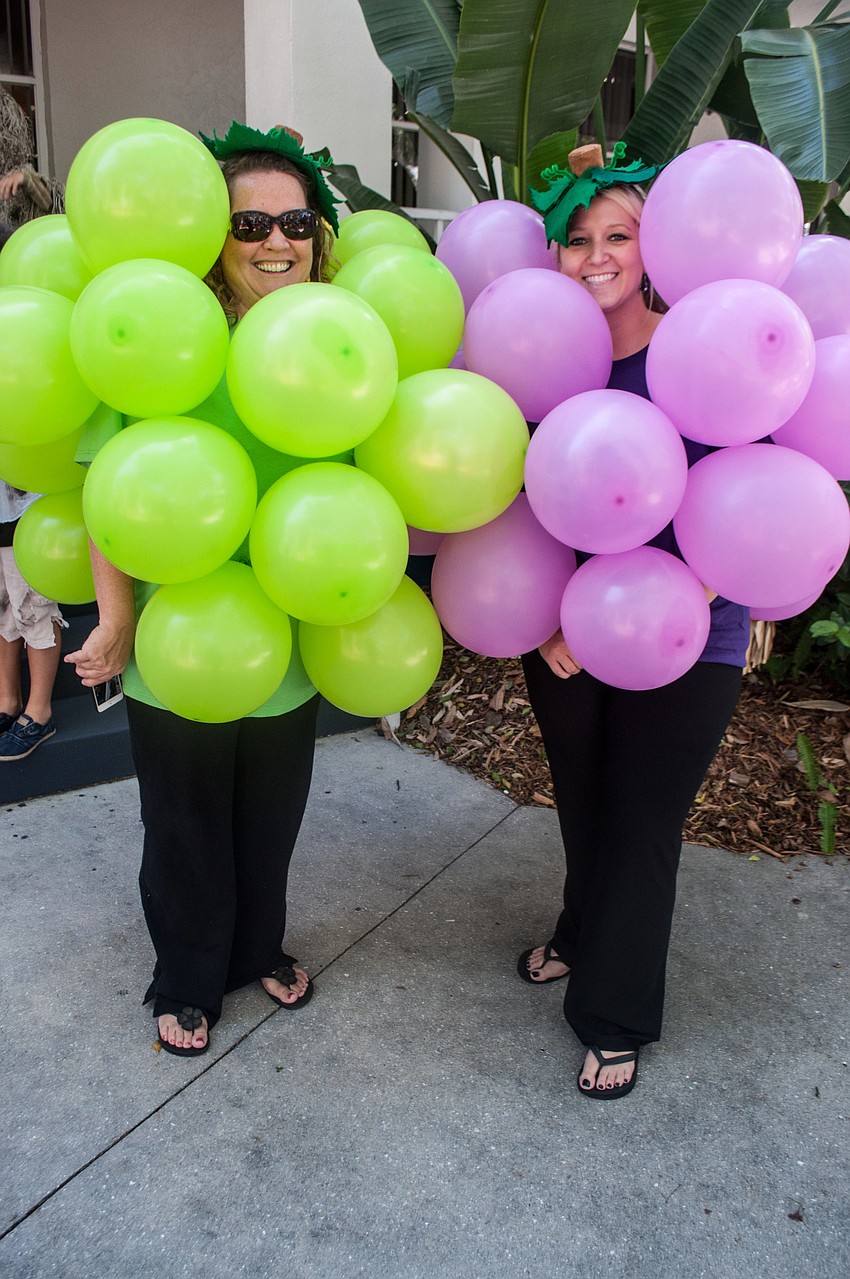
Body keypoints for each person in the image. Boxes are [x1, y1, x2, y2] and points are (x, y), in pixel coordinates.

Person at [66, 122, 341, 1057]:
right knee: (183, 824)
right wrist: (114, 617)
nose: (276, 239)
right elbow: (108, 488)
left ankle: (258, 944)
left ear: (319, 234)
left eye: (296, 219)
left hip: (284, 641)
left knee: (271, 818)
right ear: (210, 237)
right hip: (177, 640)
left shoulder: (343, 347)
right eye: (250, 221)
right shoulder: (164, 336)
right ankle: (186, 973)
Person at [518, 145, 750, 1099]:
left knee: (644, 821)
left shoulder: (698, 346)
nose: (598, 255)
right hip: (560, 633)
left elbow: (742, 509)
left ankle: (616, 1015)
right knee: (583, 801)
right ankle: (581, 928)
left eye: (619, 235)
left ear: (653, 247)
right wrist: (543, 623)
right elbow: (510, 501)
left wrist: (630, 621)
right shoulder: (534, 351)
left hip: (685, 632)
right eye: (578, 240)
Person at [0, 218, 66, 762]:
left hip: (28, 506)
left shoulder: (27, 324)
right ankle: (7, 700)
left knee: (33, 607)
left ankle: (37, 711)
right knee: (4, 611)